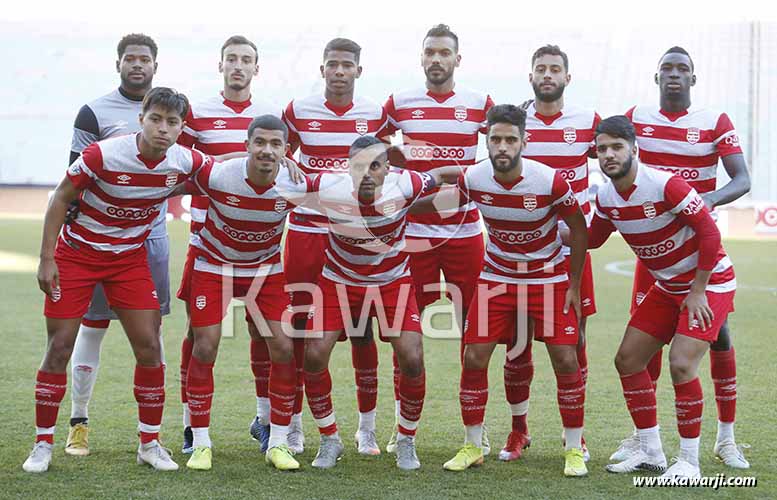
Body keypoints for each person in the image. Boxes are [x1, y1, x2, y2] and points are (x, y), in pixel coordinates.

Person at [24, 87, 207, 473]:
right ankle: (42, 445)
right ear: (140, 118)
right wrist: (46, 258)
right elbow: (60, 198)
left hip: (128, 261)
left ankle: (150, 443)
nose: (163, 128)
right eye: (155, 119)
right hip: (76, 256)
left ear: (181, 128)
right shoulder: (103, 154)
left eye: (172, 122)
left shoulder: (185, 160)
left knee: (150, 347)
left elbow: (223, 173)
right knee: (60, 346)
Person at [611, 46, 751, 469]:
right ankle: (643, 440)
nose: (674, 75)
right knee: (642, 345)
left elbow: (741, 178)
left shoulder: (713, 122)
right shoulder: (637, 120)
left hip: (700, 252)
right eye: (667, 69)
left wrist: (703, 200)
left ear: (694, 78)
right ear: (657, 79)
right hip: (654, 256)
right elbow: (606, 150)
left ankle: (725, 438)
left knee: (717, 338)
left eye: (682, 69)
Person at [440, 104, 589, 477]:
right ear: (486, 142)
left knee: (566, 360)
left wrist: (573, 283)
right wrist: (397, 200)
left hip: (548, 278)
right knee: (474, 356)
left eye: (510, 139)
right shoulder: (474, 178)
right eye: (495, 139)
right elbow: (443, 201)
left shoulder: (549, 181)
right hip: (498, 277)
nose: (502, 147)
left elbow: (580, 229)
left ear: (525, 140)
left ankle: (573, 448)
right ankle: (473, 444)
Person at [587, 115, 736, 480]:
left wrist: (699, 290)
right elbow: (591, 239)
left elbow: (709, 234)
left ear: (634, 148)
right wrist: (547, 222)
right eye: (602, 149)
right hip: (668, 286)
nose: (609, 155)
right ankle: (651, 453)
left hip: (711, 283)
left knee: (682, 363)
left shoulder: (665, 185)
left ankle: (689, 462)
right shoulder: (606, 197)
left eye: (617, 147)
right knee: (628, 360)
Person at [301, 136, 461, 470]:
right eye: (359, 166)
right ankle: (330, 440)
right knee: (314, 354)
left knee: (412, 358)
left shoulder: (408, 183)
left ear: (388, 169)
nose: (367, 173)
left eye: (375, 165)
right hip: (339, 281)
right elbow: (286, 181)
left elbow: (447, 173)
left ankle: (405, 440)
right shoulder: (328, 185)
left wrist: (477, 179)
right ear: (348, 167)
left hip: (392, 283)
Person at [381, 24, 493, 454]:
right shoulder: (400, 103)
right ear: (421, 57)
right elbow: (370, 147)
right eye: (430, 52)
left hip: (466, 235)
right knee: (405, 333)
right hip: (415, 239)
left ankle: (475, 429)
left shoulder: (479, 104)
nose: (436, 59)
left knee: (475, 333)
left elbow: (511, 140)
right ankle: (401, 426)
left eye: (445, 52)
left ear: (457, 60)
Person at [64, 33, 171, 457]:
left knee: (151, 333)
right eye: (130, 59)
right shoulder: (94, 111)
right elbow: (72, 176)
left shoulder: (173, 109)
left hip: (152, 238)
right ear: (118, 64)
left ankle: (151, 434)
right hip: (99, 241)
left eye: (145, 59)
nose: (137, 65)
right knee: (93, 325)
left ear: (155, 66)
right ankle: (78, 421)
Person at [181, 115, 308, 471]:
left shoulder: (295, 185)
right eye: (260, 143)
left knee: (283, 346)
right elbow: (172, 178)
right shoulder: (220, 175)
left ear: (286, 150)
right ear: (247, 145)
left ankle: (278, 442)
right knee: (205, 344)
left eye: (276, 145)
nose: (266, 150)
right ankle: (201, 442)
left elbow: (340, 196)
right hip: (213, 265)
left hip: (264, 270)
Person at [175, 34, 282, 455]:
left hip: (258, 249)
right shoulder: (198, 114)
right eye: (231, 59)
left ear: (257, 68)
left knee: (265, 331)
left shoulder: (268, 119)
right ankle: (190, 426)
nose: (238, 66)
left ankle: (265, 419)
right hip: (207, 241)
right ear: (220, 65)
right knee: (199, 335)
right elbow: (179, 165)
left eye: (246, 60)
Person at [282, 38, 388, 456]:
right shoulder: (298, 110)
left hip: (353, 235)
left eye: (347, 65)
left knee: (362, 332)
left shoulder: (376, 115)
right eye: (332, 64)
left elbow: (385, 167)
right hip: (308, 232)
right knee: (299, 333)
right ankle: (292, 427)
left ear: (358, 71)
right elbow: (281, 152)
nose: (339, 71)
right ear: (322, 68)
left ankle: (367, 429)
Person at [503, 44, 600, 462]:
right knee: (517, 343)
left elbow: (617, 157)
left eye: (555, 69)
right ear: (530, 77)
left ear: (567, 77)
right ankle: (518, 430)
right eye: (540, 68)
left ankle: (573, 436)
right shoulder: (515, 125)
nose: (547, 74)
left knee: (574, 343)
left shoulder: (586, 123)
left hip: (569, 252)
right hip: (522, 255)